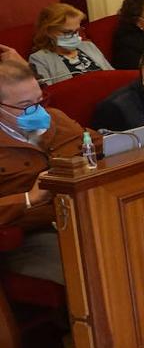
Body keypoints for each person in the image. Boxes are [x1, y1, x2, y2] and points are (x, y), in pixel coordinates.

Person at [0, 61, 100, 284]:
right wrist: (29, 198)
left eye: (39, 101)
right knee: (94, 269)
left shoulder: (56, 119)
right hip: (32, 235)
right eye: (26, 105)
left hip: (85, 214)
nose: (38, 111)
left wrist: (142, 136)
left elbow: (99, 146)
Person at [28, 3, 113, 85]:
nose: (74, 36)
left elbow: (113, 73)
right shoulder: (39, 59)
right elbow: (48, 93)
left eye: (77, 31)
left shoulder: (88, 46)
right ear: (48, 31)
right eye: (67, 32)